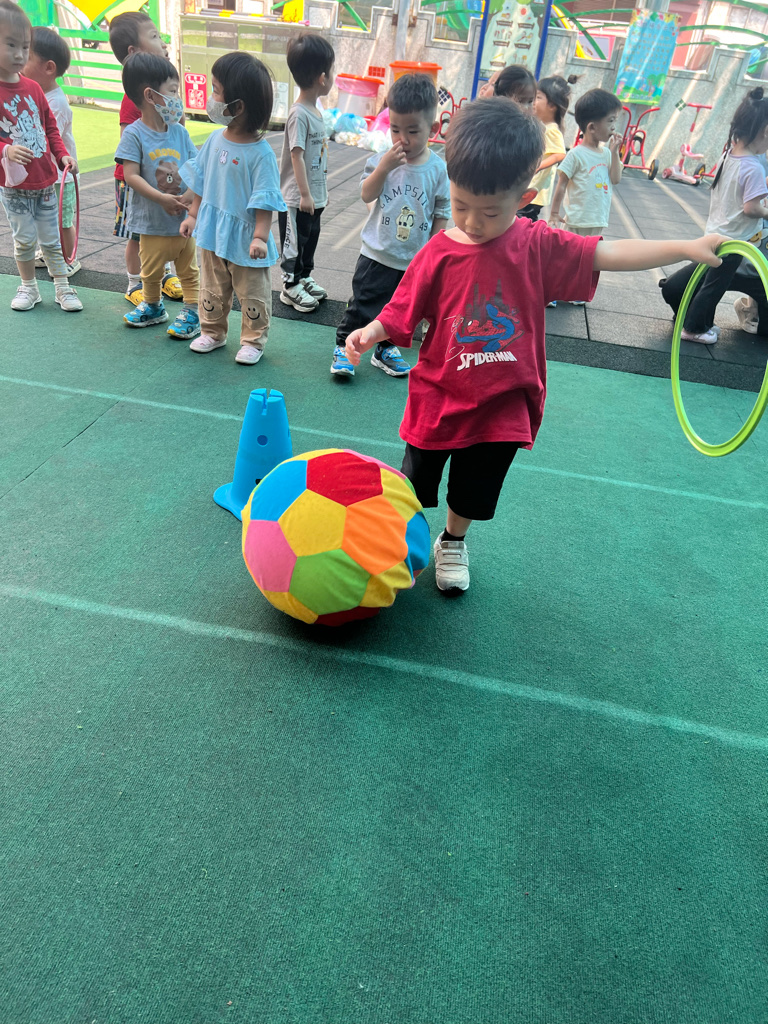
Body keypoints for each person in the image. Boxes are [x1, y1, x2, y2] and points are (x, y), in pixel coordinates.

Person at [344, 98, 726, 594]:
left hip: (503, 399)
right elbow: (403, 306)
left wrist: (684, 248)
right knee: (414, 483)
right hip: (439, 394)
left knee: (475, 486)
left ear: (523, 198)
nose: (473, 222)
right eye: (460, 206)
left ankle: (453, 540)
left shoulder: (536, 244)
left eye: (490, 211)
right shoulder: (438, 251)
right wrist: (372, 331)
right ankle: (401, 538)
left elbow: (608, 252)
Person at [331, 73, 450, 380]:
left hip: (413, 259)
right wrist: (384, 168)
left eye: (412, 131)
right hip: (377, 252)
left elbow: (441, 212)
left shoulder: (437, 170)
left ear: (432, 129)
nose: (402, 139)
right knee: (364, 303)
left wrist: (432, 254)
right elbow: (366, 194)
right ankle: (344, 345)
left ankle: (386, 349)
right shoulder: (383, 160)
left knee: (402, 309)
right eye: (395, 129)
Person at [180, 51, 286, 365]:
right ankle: (212, 332)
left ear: (238, 107)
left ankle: (253, 340)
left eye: (216, 90)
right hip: (212, 233)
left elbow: (265, 202)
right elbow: (202, 182)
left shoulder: (261, 154)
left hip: (246, 240)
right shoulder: (215, 140)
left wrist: (260, 237)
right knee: (212, 289)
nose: (210, 98)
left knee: (252, 294)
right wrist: (192, 215)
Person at [659, 87, 768, 345]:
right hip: (735, 242)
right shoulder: (753, 167)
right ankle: (694, 328)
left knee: (709, 281)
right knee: (714, 286)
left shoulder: (728, 156)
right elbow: (751, 209)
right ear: (765, 132)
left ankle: (702, 324)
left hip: (716, 234)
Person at [0, 0, 82, 312]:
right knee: (23, 240)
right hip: (14, 186)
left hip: (46, 182)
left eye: (24, 47)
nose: (19, 54)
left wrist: (62, 156)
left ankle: (63, 287)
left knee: (51, 239)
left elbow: (50, 129)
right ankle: (29, 287)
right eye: (10, 45)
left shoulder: (34, 88)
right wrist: (6, 150)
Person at [115, 53, 200, 338]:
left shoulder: (180, 133)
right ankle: (153, 305)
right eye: (173, 92)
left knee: (188, 269)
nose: (178, 99)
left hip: (182, 221)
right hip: (151, 222)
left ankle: (192, 311)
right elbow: (131, 175)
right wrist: (161, 198)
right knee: (150, 270)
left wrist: (190, 195)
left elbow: (196, 168)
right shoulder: (134, 134)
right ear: (150, 95)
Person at [108, 10, 182, 306]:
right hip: (136, 180)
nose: (163, 42)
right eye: (154, 36)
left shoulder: (164, 93)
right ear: (134, 51)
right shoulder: (134, 100)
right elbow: (129, 144)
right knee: (138, 233)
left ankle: (162, 275)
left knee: (163, 226)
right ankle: (134, 283)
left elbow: (177, 133)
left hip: (163, 173)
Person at [548, 87, 622, 305]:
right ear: (591, 127)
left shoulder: (607, 154)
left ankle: (574, 292)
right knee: (566, 258)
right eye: (610, 121)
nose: (614, 127)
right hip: (577, 218)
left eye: (614, 121)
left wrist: (615, 154)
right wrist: (554, 213)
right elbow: (561, 184)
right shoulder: (576, 155)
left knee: (586, 260)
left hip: (597, 219)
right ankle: (552, 291)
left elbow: (616, 179)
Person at [278, 32, 334, 313]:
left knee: (310, 239)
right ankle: (290, 285)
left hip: (314, 195)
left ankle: (304, 277)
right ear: (322, 78)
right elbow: (296, 155)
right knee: (295, 242)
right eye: (332, 71)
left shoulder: (315, 111)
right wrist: (304, 194)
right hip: (297, 197)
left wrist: (317, 193)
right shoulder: (299, 113)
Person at [23, 27, 80, 277]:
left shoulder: (56, 102)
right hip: (45, 174)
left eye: (26, 57)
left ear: (48, 68)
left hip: (60, 177)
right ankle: (49, 252)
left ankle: (68, 259)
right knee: (44, 217)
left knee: (63, 220)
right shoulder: (36, 94)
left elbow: (45, 138)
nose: (19, 62)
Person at [517, 74, 574, 223]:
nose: (533, 102)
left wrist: (538, 166)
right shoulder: (542, 127)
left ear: (552, 106)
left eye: (538, 97)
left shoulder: (551, 129)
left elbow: (560, 154)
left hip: (534, 190)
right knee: (520, 220)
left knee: (523, 220)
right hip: (530, 187)